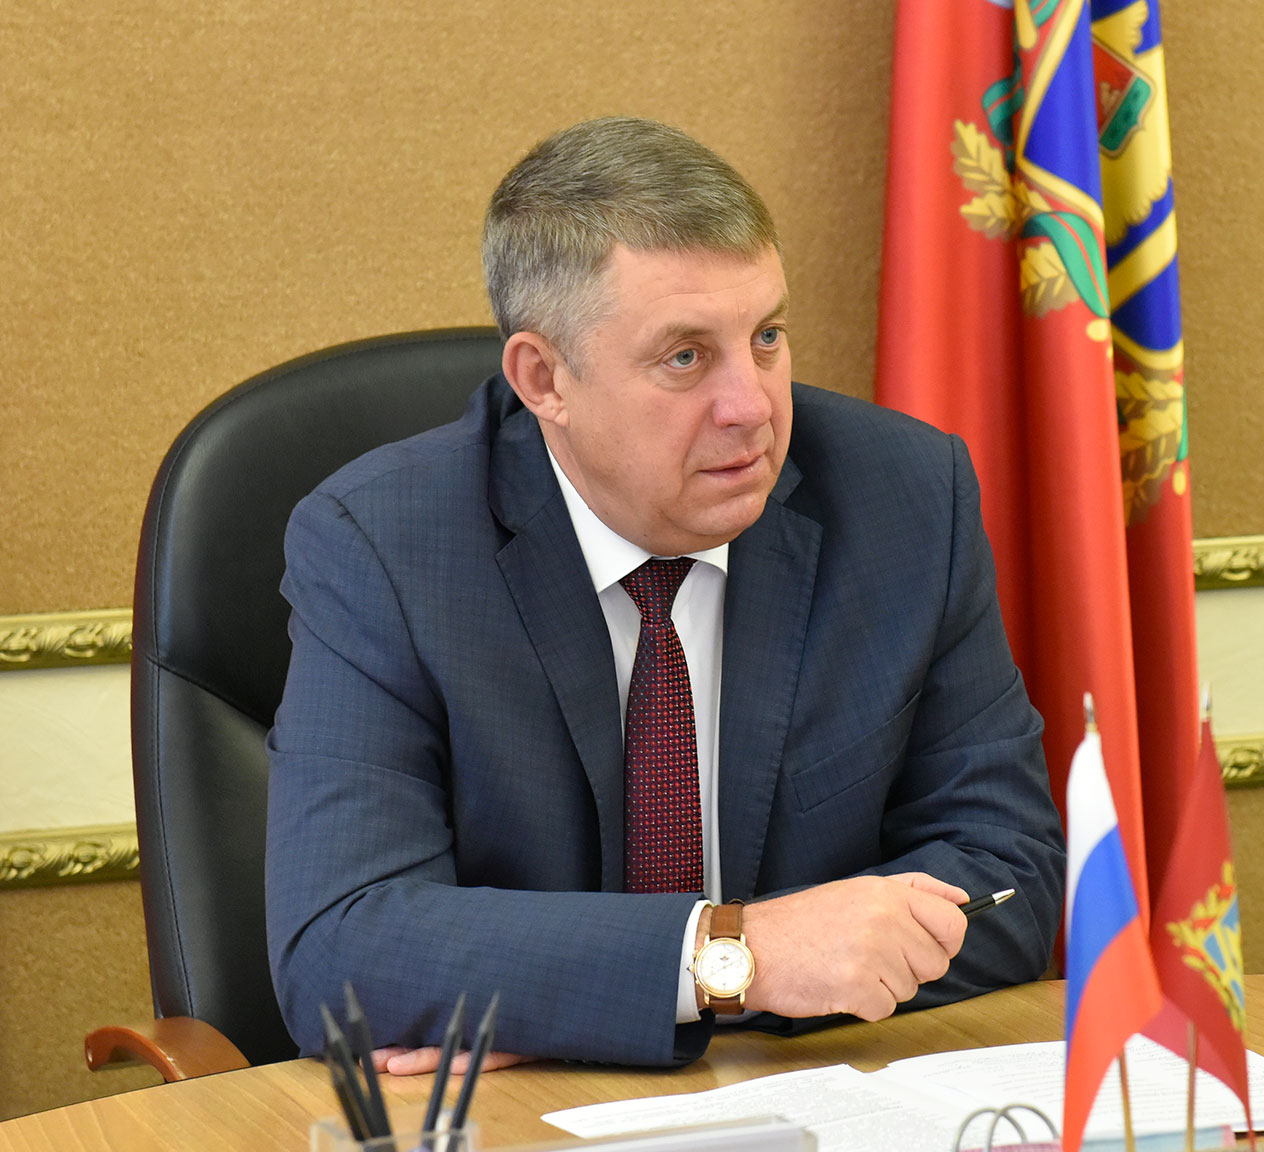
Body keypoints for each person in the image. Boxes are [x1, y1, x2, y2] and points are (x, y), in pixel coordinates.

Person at [264, 117, 1064, 1071]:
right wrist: (732, 961)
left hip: (815, 1095)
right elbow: (340, 946)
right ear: (544, 379)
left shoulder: (903, 498)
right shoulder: (384, 544)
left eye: (766, 337)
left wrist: (584, 1002)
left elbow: (1013, 875)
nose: (752, 406)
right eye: (685, 357)